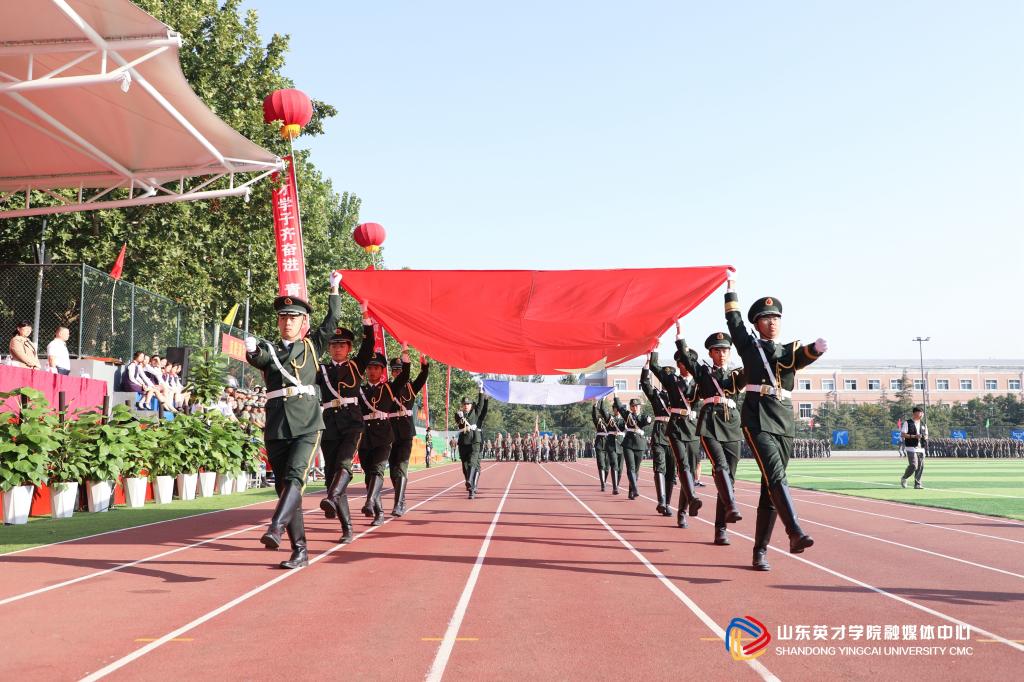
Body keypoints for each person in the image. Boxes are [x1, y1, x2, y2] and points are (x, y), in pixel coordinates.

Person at [725, 273, 826, 571]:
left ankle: (760, 551)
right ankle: (794, 531)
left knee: (769, 487)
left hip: (783, 421)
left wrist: (815, 350)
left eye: (776, 318)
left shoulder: (788, 350)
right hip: (757, 418)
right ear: (756, 324)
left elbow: (801, 357)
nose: (772, 323)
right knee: (776, 475)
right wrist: (730, 291)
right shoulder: (748, 346)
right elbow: (734, 322)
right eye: (766, 318)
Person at [244, 272, 342, 569]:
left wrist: (334, 289)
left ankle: (275, 527)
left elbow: (332, 321)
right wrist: (251, 349)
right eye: (283, 317)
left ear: (303, 322)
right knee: (285, 488)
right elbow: (259, 358)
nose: (287, 322)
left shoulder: (312, 346)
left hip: (307, 424)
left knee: (295, 478)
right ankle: (300, 550)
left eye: (293, 317)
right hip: (277, 426)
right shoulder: (271, 350)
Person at [676, 325, 746, 546]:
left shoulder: (736, 373)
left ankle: (720, 529)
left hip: (731, 423)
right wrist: (680, 338)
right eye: (717, 350)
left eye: (725, 350)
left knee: (729, 479)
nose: (722, 354)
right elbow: (687, 360)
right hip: (710, 424)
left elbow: (750, 375)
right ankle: (731, 506)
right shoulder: (703, 372)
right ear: (710, 353)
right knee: (720, 466)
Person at [316, 315, 374, 544]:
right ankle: (346, 526)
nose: (337, 348)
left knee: (344, 464)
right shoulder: (321, 369)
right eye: (333, 345)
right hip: (329, 423)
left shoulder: (356, 366)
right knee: (331, 475)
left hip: (352, 422)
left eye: (342, 345)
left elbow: (368, 346)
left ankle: (332, 499)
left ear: (349, 348)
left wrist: (367, 321)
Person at [358, 347, 411, 526]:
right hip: (364, 436)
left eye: (376, 368)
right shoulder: (359, 389)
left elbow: (404, 376)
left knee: (377, 470)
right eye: (369, 368)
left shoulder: (388, 387)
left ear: (382, 371)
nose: (372, 371)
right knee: (368, 475)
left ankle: (369, 501)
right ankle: (379, 512)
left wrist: (405, 357)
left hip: (383, 435)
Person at [649, 349, 703, 527]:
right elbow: (654, 366)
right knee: (683, 466)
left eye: (688, 362)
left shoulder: (699, 380)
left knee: (691, 471)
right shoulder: (672, 380)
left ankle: (682, 512)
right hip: (676, 427)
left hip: (693, 429)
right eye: (682, 362)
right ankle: (692, 498)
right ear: (679, 364)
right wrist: (655, 349)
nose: (685, 365)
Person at [389, 354, 429, 516]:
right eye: (395, 370)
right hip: (391, 432)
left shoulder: (411, 387)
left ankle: (398, 504)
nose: (397, 373)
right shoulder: (388, 388)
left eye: (400, 370)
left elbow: (423, 377)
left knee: (402, 466)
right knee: (393, 469)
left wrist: (424, 365)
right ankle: (401, 498)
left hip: (406, 432)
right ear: (392, 372)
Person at [640, 359, 674, 516]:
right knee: (660, 467)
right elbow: (644, 383)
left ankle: (667, 504)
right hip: (660, 433)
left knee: (671, 472)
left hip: (674, 434)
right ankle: (661, 501)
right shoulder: (656, 395)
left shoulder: (680, 395)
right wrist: (646, 367)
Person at [613, 394, 652, 500]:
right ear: (630, 407)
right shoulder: (627, 415)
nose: (635, 408)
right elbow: (620, 407)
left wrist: (649, 420)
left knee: (636, 469)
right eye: (633, 406)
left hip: (640, 444)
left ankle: (631, 491)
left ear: (639, 407)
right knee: (631, 468)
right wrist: (616, 396)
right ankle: (635, 489)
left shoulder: (643, 417)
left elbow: (647, 421)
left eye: (636, 406)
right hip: (628, 443)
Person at [455, 389, 489, 498]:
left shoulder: (476, 413)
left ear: (471, 405)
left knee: (473, 463)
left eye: (468, 404)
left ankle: (471, 485)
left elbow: (481, 406)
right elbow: (460, 424)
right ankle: (469, 482)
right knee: (465, 466)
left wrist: (481, 392)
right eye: (464, 404)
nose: (466, 406)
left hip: (475, 442)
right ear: (462, 405)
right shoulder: (458, 414)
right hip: (463, 443)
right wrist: (461, 417)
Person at [599, 398, 625, 495]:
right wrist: (602, 399)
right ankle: (615, 488)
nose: (617, 410)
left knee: (620, 468)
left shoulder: (625, 419)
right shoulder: (610, 418)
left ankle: (616, 484)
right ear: (613, 409)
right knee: (614, 465)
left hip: (621, 444)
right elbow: (602, 410)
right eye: (615, 408)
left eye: (618, 408)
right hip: (611, 444)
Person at [900, 406, 928, 489]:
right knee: (913, 465)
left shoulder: (923, 424)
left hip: (921, 448)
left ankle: (917, 483)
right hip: (911, 447)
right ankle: (904, 477)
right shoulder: (908, 423)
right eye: (920, 413)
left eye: (922, 413)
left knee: (920, 466)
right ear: (914, 413)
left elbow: (926, 435)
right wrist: (914, 436)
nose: (922, 415)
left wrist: (924, 437)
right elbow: (903, 434)